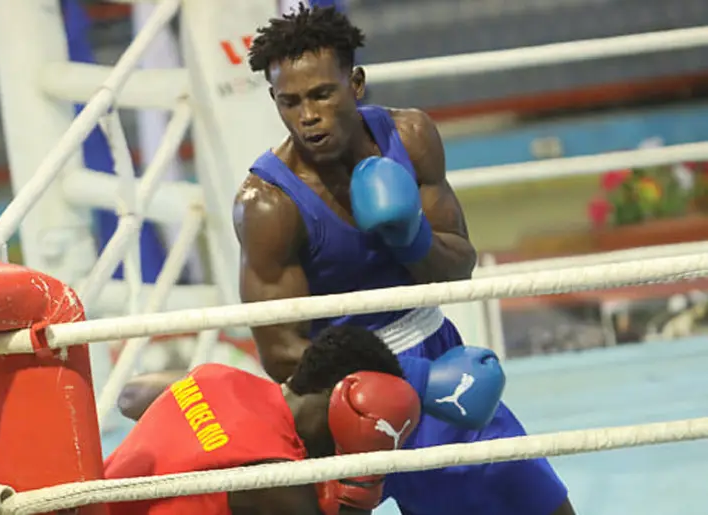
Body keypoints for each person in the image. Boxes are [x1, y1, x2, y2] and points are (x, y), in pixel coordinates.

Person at [233, 4, 575, 515]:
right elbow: (280, 351)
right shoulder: (268, 203)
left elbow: (459, 263)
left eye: (322, 94)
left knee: (541, 505)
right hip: (337, 393)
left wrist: (410, 236)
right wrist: (414, 381)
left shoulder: (409, 138)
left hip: (435, 348)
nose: (307, 116)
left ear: (356, 82)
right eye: (291, 102)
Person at [105, 325, 421, 515]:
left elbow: (129, 398)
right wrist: (365, 481)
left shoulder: (216, 377)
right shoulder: (277, 480)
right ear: (338, 397)